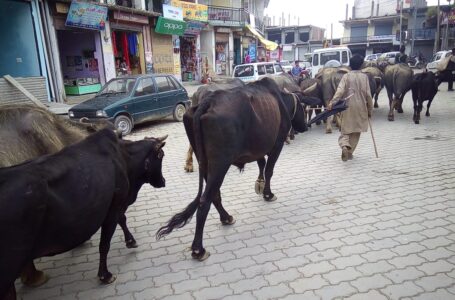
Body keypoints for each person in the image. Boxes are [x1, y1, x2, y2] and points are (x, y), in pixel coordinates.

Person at [327, 54, 373, 162]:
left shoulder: (346, 76)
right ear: (361, 65)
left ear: (350, 66)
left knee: (345, 130)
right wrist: (370, 109)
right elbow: (368, 95)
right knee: (356, 131)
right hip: (361, 108)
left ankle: (344, 146)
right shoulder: (364, 77)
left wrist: (332, 103)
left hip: (347, 107)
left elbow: (339, 91)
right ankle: (350, 152)